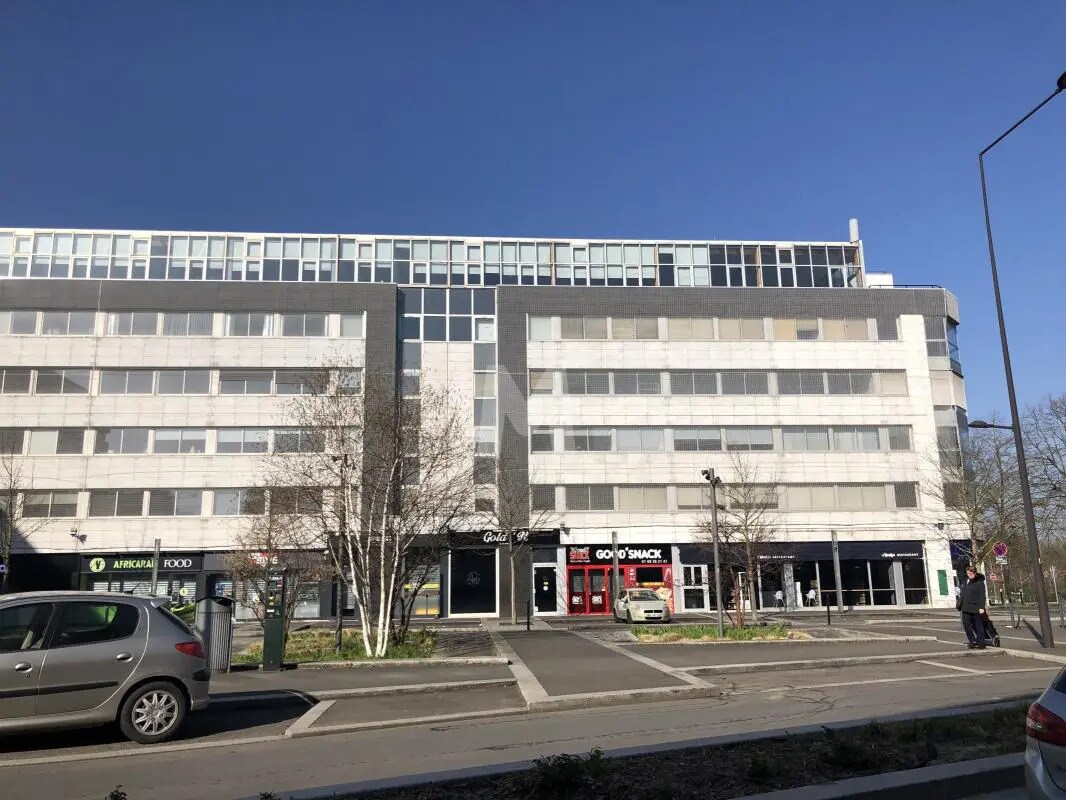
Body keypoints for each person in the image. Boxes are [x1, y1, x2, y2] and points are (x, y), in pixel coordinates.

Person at [959, 566, 987, 649]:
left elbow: (982, 595)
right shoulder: (965, 581)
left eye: (970, 573)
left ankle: (981, 642)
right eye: (967, 573)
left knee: (978, 625)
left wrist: (982, 607)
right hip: (965, 607)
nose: (969, 575)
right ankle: (972, 640)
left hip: (976, 607)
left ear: (975, 573)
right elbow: (963, 592)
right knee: (966, 625)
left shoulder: (979, 582)